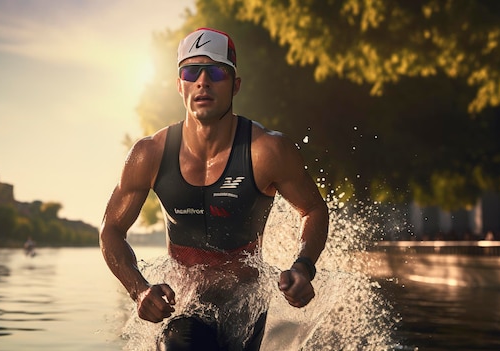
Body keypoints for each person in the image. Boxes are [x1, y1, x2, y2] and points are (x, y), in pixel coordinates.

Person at [99, 27, 329, 350]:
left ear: (235, 85)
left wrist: (303, 266)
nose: (202, 82)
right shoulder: (149, 155)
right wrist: (139, 289)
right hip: (184, 304)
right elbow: (110, 228)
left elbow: (314, 209)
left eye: (216, 71)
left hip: (244, 307)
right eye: (191, 71)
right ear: (179, 85)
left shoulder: (267, 151)